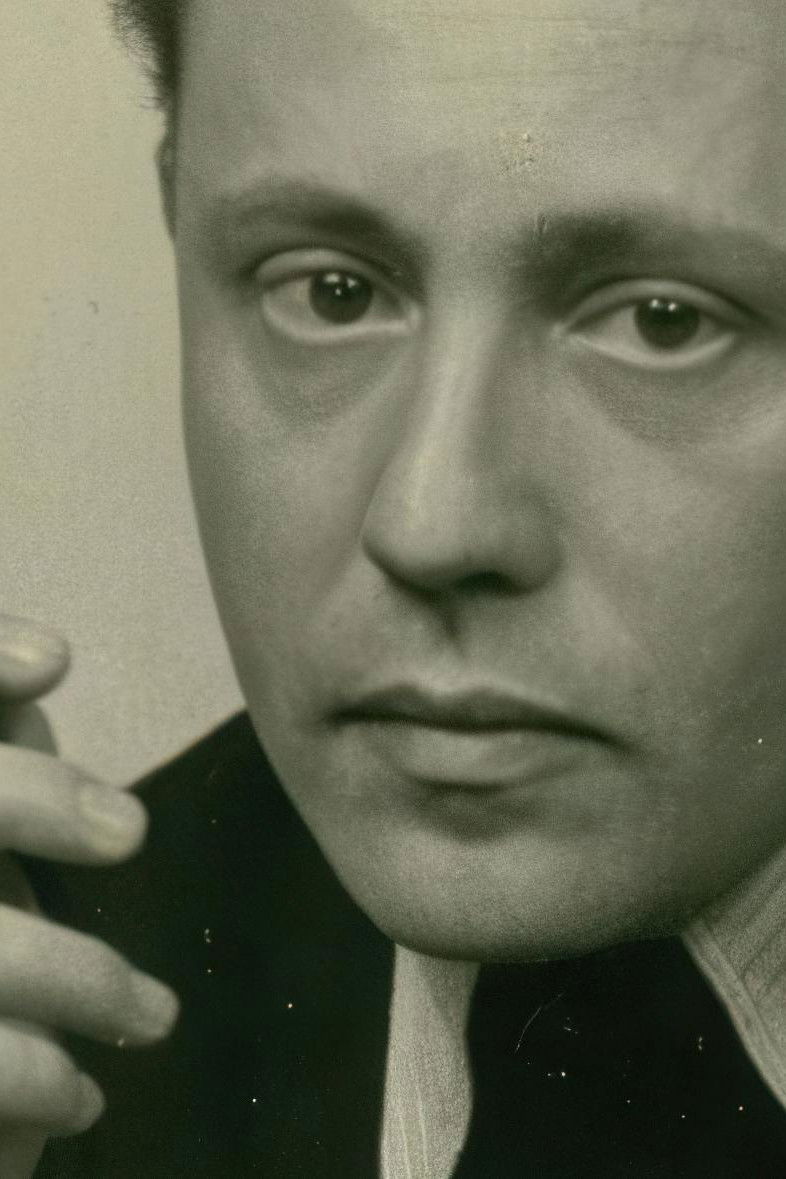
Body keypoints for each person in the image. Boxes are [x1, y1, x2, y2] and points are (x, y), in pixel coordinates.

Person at [3, 0, 786, 1173]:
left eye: (664, 322)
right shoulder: (59, 1048)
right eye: (333, 293)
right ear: (177, 219)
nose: (429, 523)